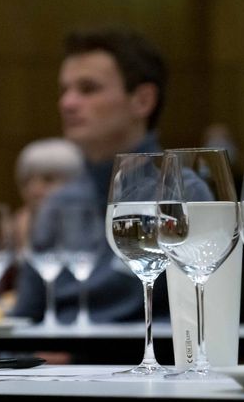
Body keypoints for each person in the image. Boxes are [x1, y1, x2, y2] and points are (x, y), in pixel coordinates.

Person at [12, 29, 211, 324]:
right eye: (64, 90)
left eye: (88, 89)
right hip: (53, 352)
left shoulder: (183, 195)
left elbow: (199, 318)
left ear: (142, 100)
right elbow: (25, 315)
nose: (67, 103)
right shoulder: (60, 202)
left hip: (144, 350)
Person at [10, 137, 84, 248]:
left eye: (48, 179)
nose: (34, 190)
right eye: (26, 181)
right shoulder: (14, 229)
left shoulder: (89, 227)